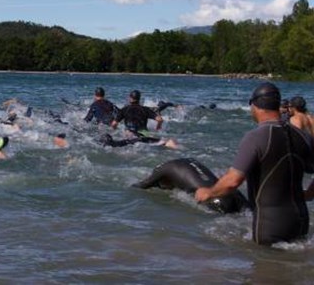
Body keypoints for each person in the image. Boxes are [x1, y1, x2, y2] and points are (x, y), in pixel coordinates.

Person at [195, 82, 314, 245]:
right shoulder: (303, 136)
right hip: (301, 222)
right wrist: (308, 194)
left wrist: (208, 192)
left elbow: (232, 181)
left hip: (270, 226)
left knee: (264, 268)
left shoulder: (256, 137)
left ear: (255, 106)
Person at [110, 90, 177, 148]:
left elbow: (114, 124)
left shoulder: (124, 109)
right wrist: (158, 127)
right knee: (167, 142)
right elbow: (160, 119)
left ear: (130, 98)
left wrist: (115, 130)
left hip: (131, 136)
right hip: (144, 135)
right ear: (139, 99)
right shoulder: (145, 109)